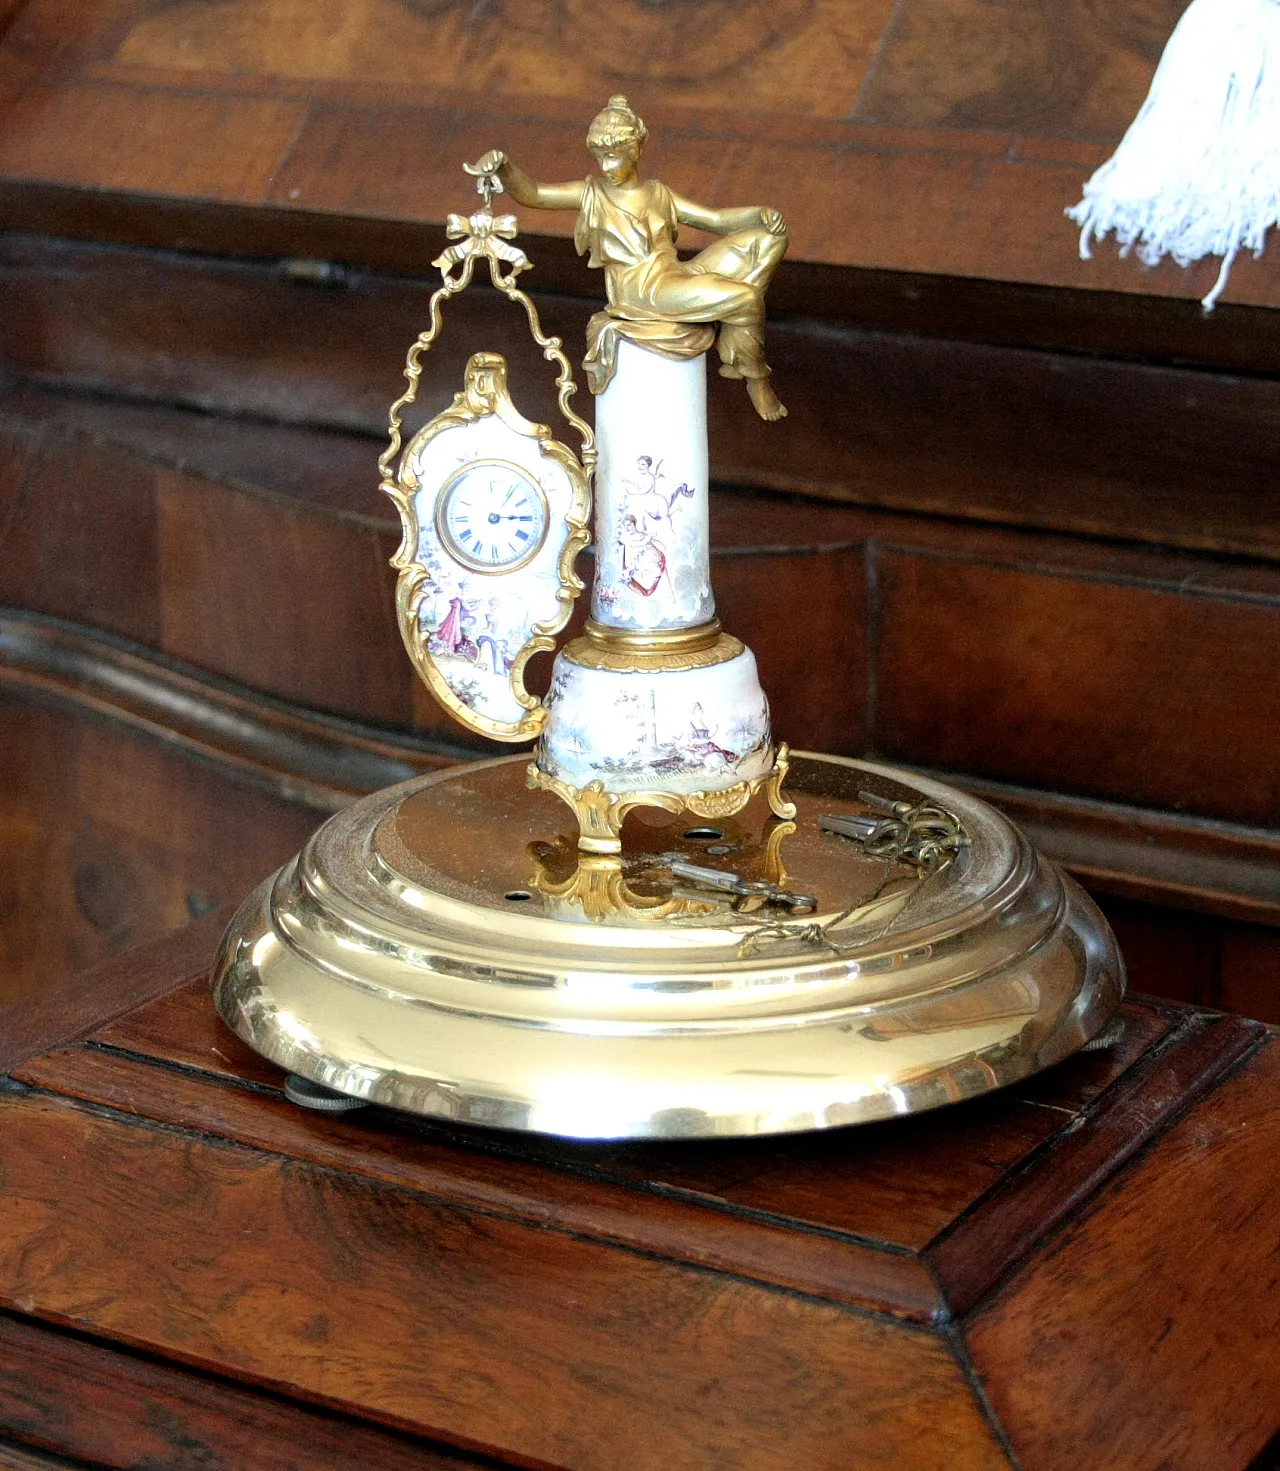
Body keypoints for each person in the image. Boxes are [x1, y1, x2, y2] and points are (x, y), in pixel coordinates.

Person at [470, 95, 789, 420]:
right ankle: (756, 378)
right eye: (600, 158)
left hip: (675, 275)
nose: (606, 168)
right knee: (746, 298)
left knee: (768, 239)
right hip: (642, 292)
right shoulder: (592, 194)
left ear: (635, 150)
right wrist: (505, 169)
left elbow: (716, 221)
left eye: (613, 157)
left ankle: (736, 336)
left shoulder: (659, 194)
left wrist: (759, 214)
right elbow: (535, 195)